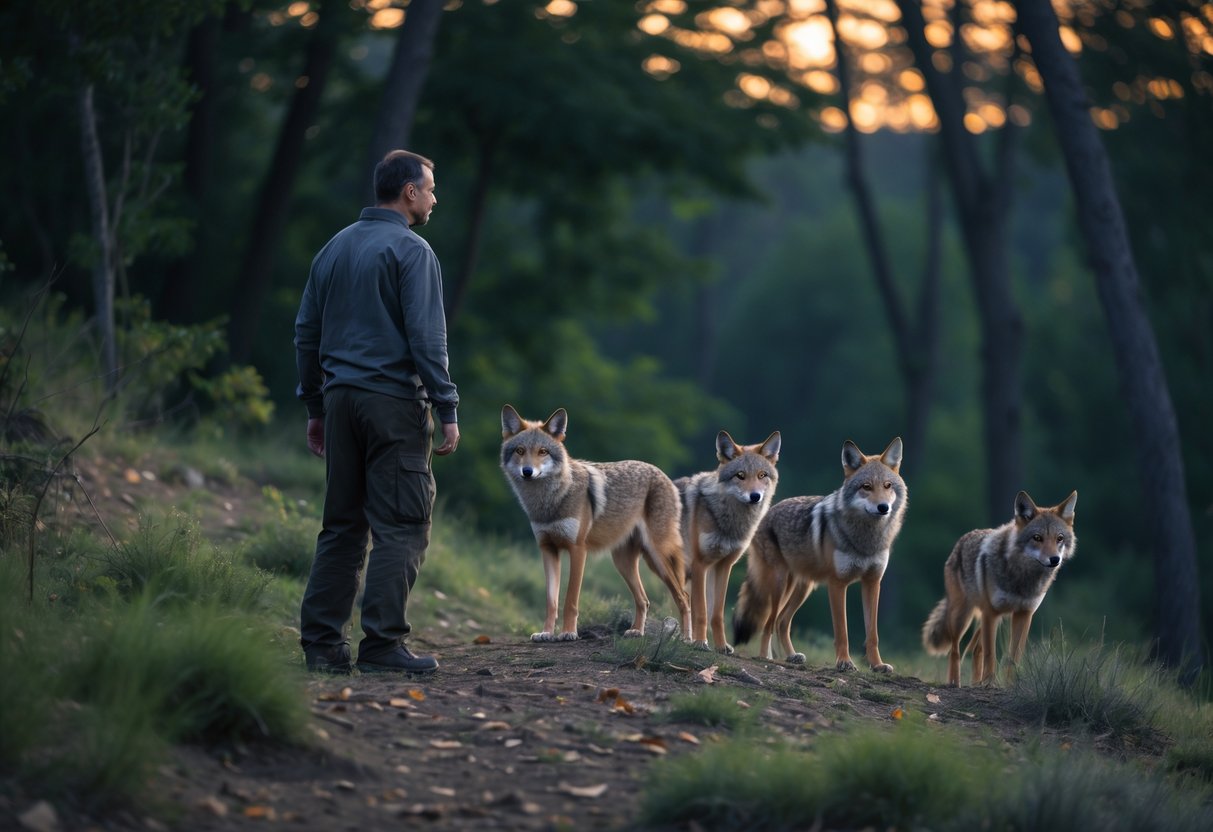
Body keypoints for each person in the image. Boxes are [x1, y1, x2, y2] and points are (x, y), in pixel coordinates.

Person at [294, 149, 459, 675]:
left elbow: (306, 334)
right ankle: (383, 646)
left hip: (340, 402)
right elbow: (427, 340)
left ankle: (321, 647)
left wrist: (316, 405)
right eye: (430, 188)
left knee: (341, 526)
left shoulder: (334, 248)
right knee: (402, 526)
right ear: (409, 192)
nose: (434, 197)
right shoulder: (413, 252)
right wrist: (447, 405)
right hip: (391, 404)